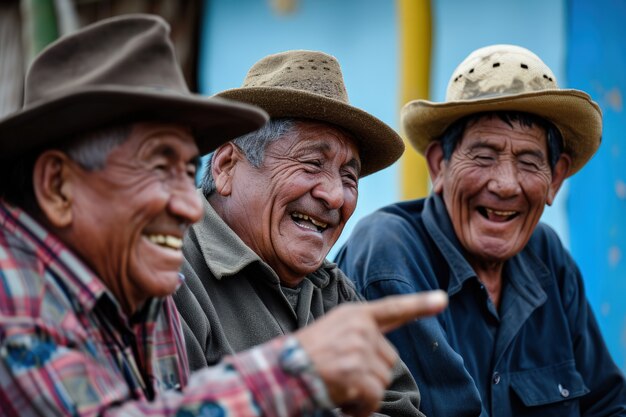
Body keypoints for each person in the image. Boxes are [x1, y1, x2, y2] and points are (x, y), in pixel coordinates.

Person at [0, 15, 449, 417]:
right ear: (57, 186)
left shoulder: (142, 289)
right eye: (160, 166)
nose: (189, 204)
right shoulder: (15, 290)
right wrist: (299, 372)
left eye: (183, 170)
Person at [336, 44, 626, 416]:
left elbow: (607, 405)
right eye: (484, 156)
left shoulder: (547, 257)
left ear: (555, 178)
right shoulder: (389, 253)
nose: (506, 184)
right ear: (439, 165)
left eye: (528, 161)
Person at [172, 50, 428, 417]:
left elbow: (398, 406)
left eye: (348, 177)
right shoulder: (168, 270)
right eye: (311, 164)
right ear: (227, 166)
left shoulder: (330, 288)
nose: (335, 195)